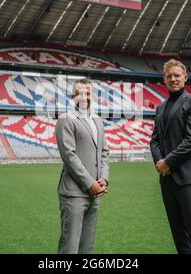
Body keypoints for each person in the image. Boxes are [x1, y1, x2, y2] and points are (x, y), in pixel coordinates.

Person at [149, 59, 191, 254]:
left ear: (185, 77)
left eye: (177, 75)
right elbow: (154, 140)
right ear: (164, 80)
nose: (173, 79)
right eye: (169, 76)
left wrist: (168, 162)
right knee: (179, 236)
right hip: (167, 180)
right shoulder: (160, 108)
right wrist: (160, 163)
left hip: (190, 179)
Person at [55, 78, 109, 254]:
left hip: (94, 194)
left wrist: (103, 179)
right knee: (70, 247)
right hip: (74, 194)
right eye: (80, 93)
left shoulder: (98, 121)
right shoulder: (66, 120)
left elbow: (104, 152)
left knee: (87, 247)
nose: (84, 96)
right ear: (73, 96)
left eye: (88, 92)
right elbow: (69, 156)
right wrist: (90, 184)